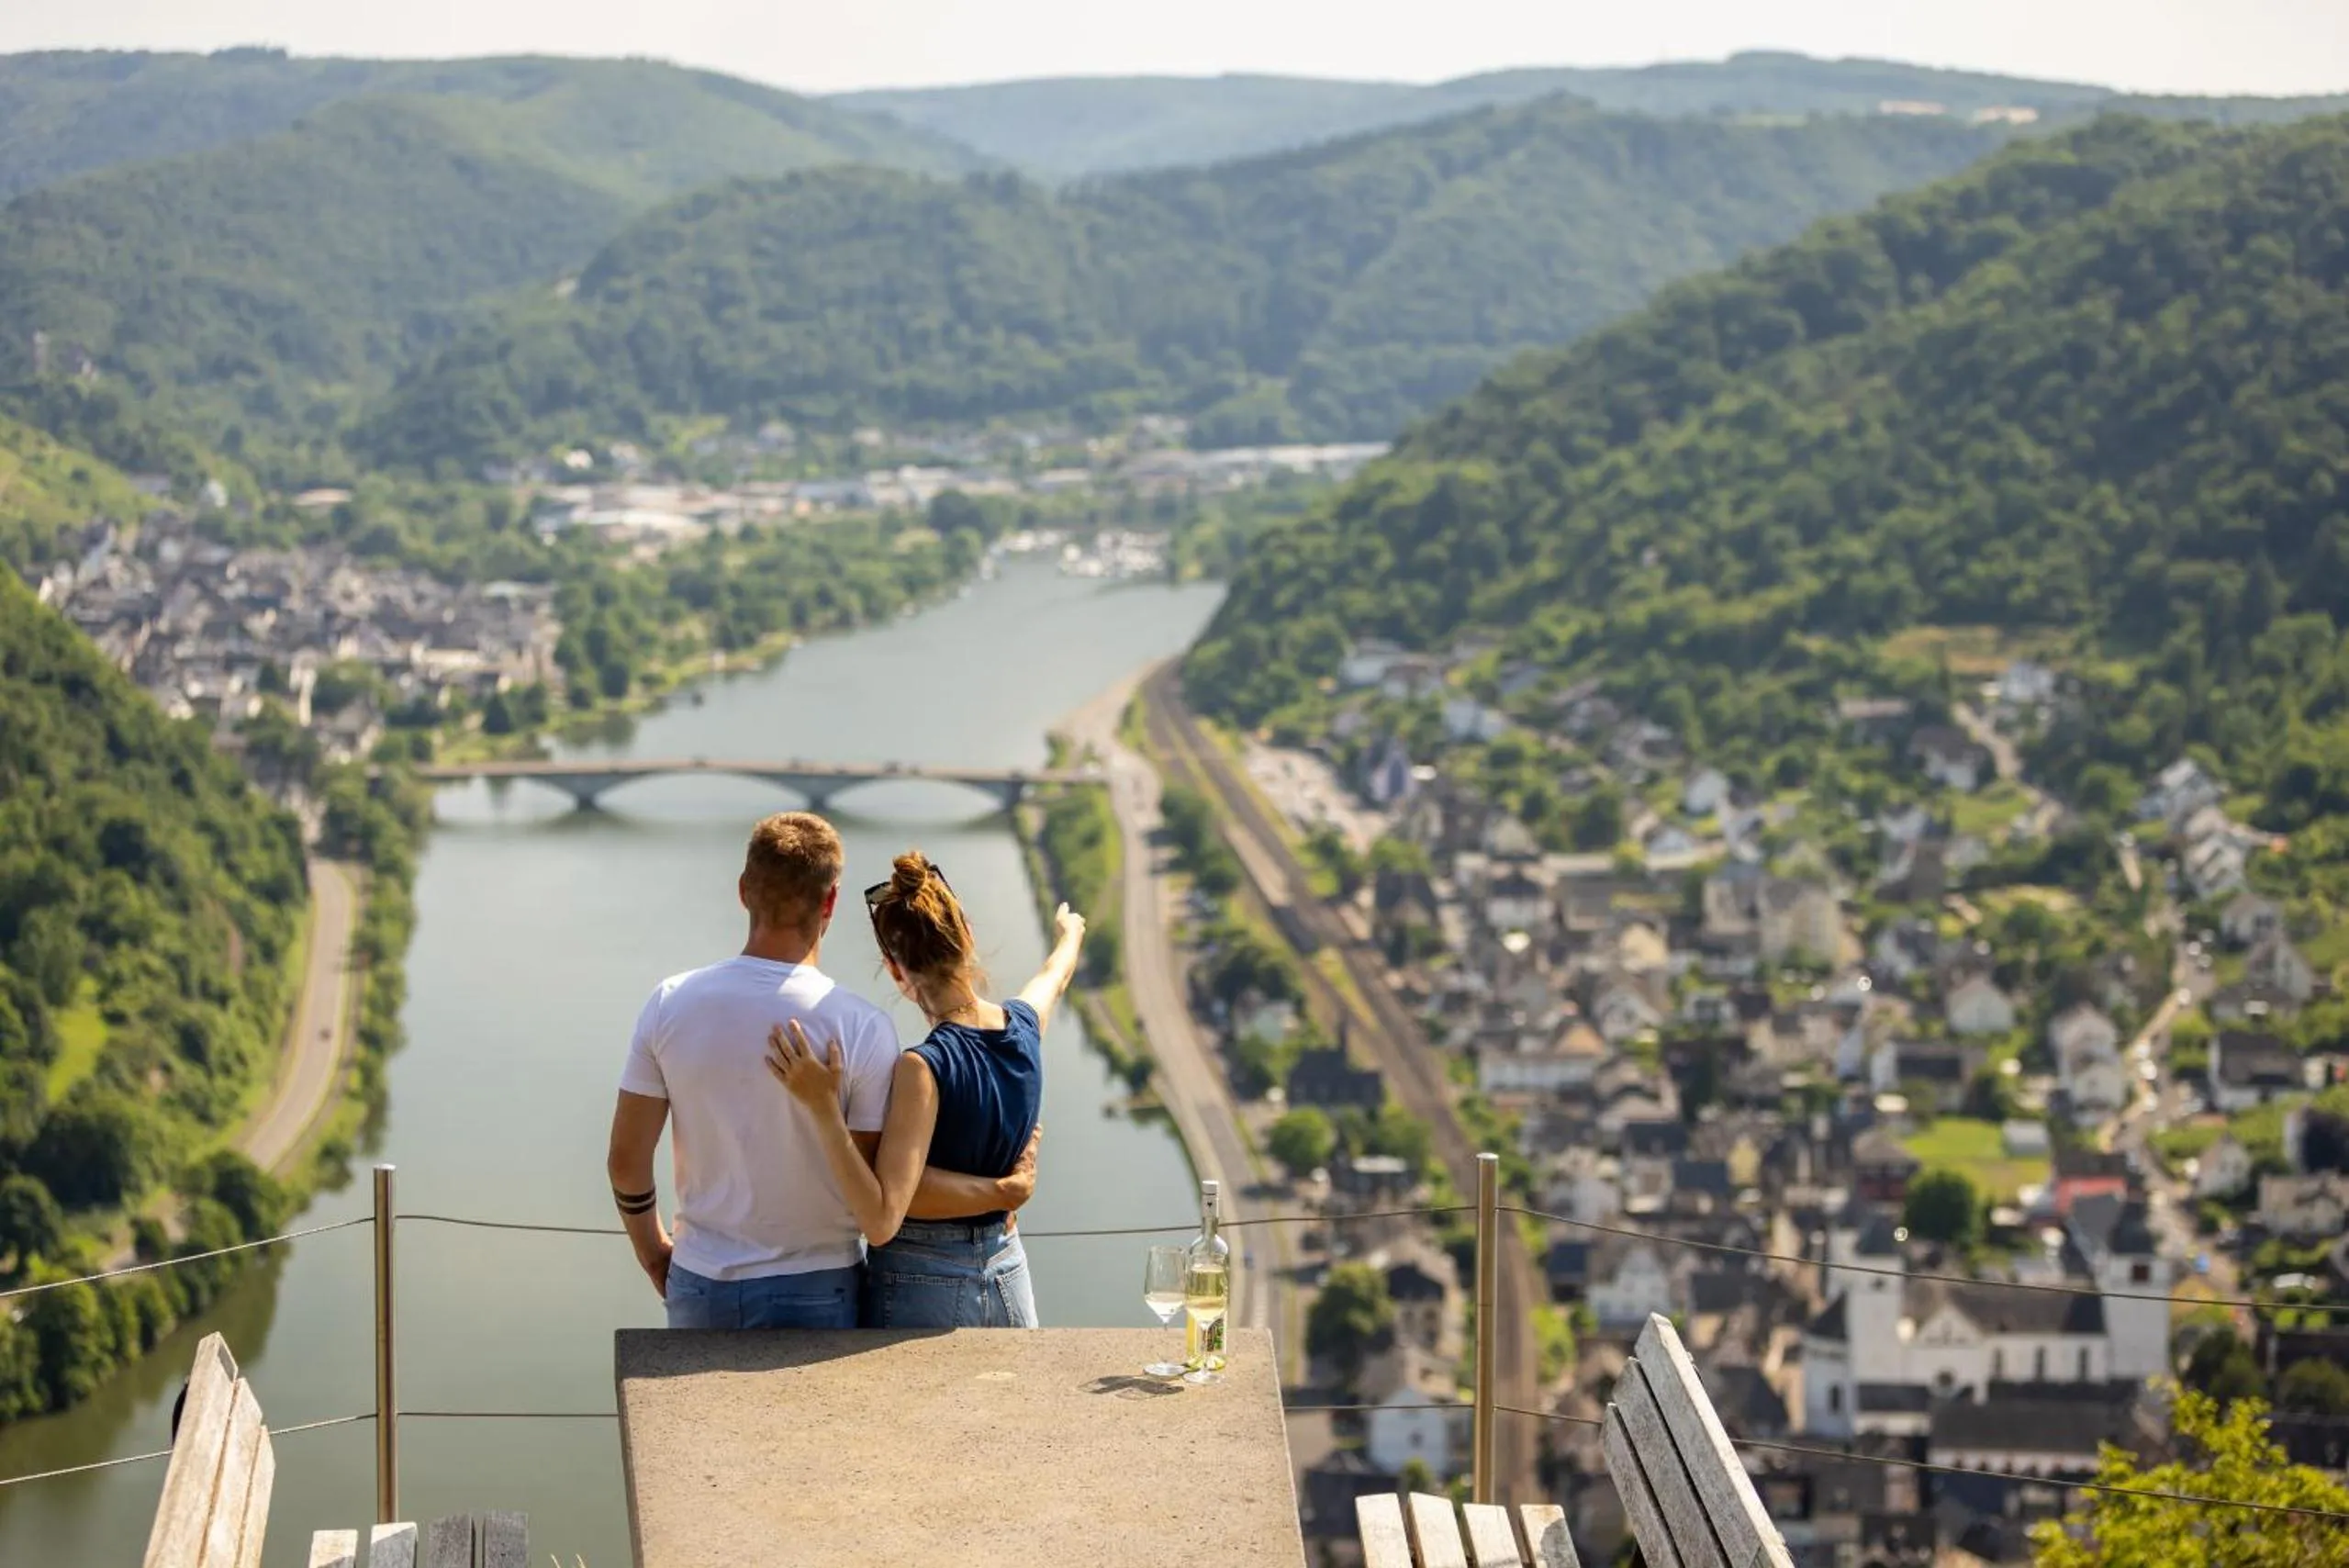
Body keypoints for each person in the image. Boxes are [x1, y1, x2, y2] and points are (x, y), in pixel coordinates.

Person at [606, 812, 1036, 1330]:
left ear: (744, 891)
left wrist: (654, 1254)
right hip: (820, 1285)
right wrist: (999, 1191)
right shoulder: (860, 1027)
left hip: (701, 1280)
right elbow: (876, 1192)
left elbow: (626, 1162)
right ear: (830, 902)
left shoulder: (669, 1004)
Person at [767, 851, 1083, 1327]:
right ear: (967, 934)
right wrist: (1071, 933)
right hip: (1009, 1270)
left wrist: (824, 1108)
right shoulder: (1023, 1027)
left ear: (895, 970)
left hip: (923, 1280)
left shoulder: (924, 1067)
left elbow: (883, 1217)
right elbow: (1053, 978)